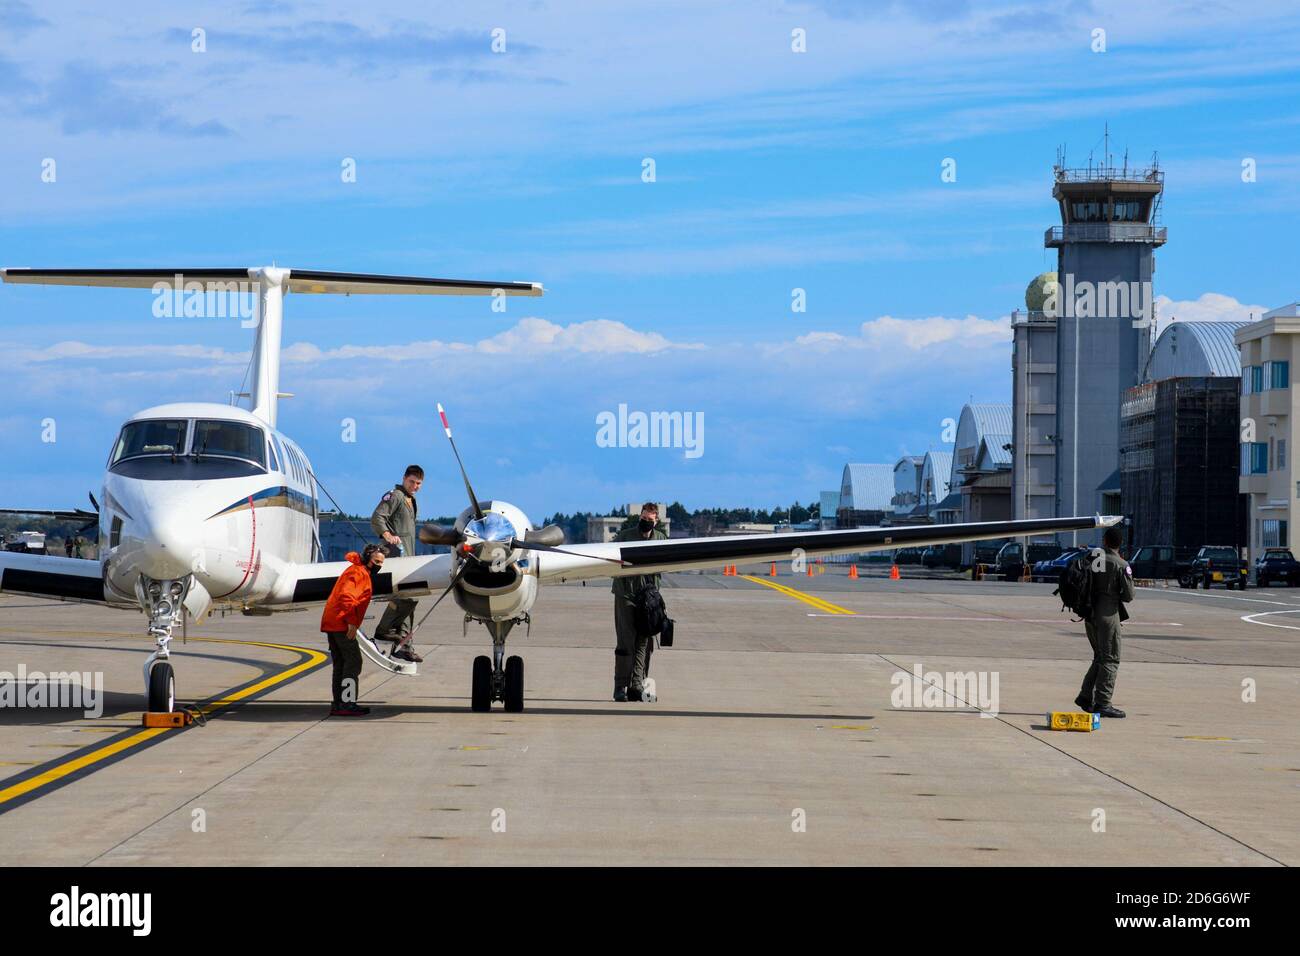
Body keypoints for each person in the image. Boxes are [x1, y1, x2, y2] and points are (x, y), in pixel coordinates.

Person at [611, 502, 668, 702]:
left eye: (649, 520)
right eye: (643, 519)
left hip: (649, 598)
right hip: (626, 595)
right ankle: (620, 686)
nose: (645, 522)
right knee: (626, 642)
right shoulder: (625, 537)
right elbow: (609, 557)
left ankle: (636, 685)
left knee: (645, 642)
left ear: (656, 521)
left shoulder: (661, 539)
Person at [1076, 526, 1134, 719]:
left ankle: (1086, 695)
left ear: (1105, 541)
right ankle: (1103, 702)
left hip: (1089, 614)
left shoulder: (1092, 559)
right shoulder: (1120, 563)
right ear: (1120, 543)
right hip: (1108, 615)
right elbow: (1128, 596)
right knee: (1110, 659)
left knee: (1100, 657)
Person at [320, 543, 385, 717]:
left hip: (334, 622)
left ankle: (339, 704)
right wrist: (351, 622)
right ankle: (347, 703)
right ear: (368, 559)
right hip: (341, 623)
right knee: (354, 661)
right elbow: (347, 597)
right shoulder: (358, 573)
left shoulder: (357, 570)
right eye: (377, 562)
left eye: (381, 563)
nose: (379, 566)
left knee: (341, 663)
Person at [370, 464, 424, 663]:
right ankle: (384, 630)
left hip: (408, 556)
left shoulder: (411, 500)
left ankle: (404, 646)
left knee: (410, 598)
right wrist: (387, 535)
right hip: (395, 555)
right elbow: (377, 518)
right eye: (412, 482)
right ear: (404, 478)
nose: (415, 486)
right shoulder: (395, 496)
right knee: (407, 598)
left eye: (418, 483)